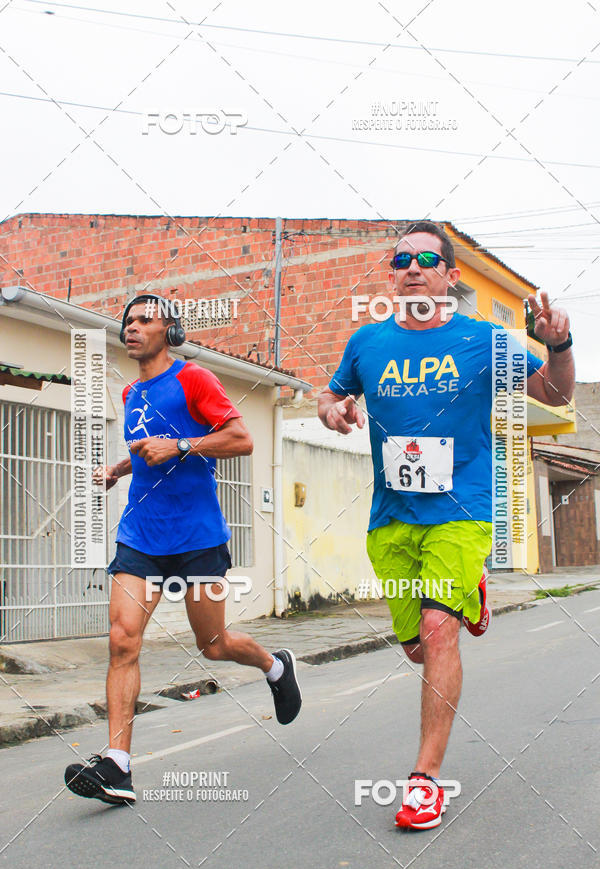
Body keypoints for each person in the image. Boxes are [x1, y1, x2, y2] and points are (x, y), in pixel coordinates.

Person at [318, 221, 574, 830]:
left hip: (462, 509)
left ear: (450, 277)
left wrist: (558, 347)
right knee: (413, 645)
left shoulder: (485, 339)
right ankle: (466, 599)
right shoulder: (366, 343)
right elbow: (326, 395)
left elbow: (558, 399)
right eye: (401, 258)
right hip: (392, 516)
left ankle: (425, 780)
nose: (412, 267)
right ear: (392, 273)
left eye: (426, 259)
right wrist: (333, 409)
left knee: (438, 632)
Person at [65, 294, 301, 805]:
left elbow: (241, 438)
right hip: (141, 536)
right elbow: (150, 452)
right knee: (122, 640)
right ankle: (117, 765)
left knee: (212, 644)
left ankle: (275, 665)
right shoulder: (130, 393)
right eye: (127, 321)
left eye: (144, 320)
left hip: (196, 537)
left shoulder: (194, 379)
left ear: (169, 331)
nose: (131, 327)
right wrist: (119, 469)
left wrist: (185, 446)